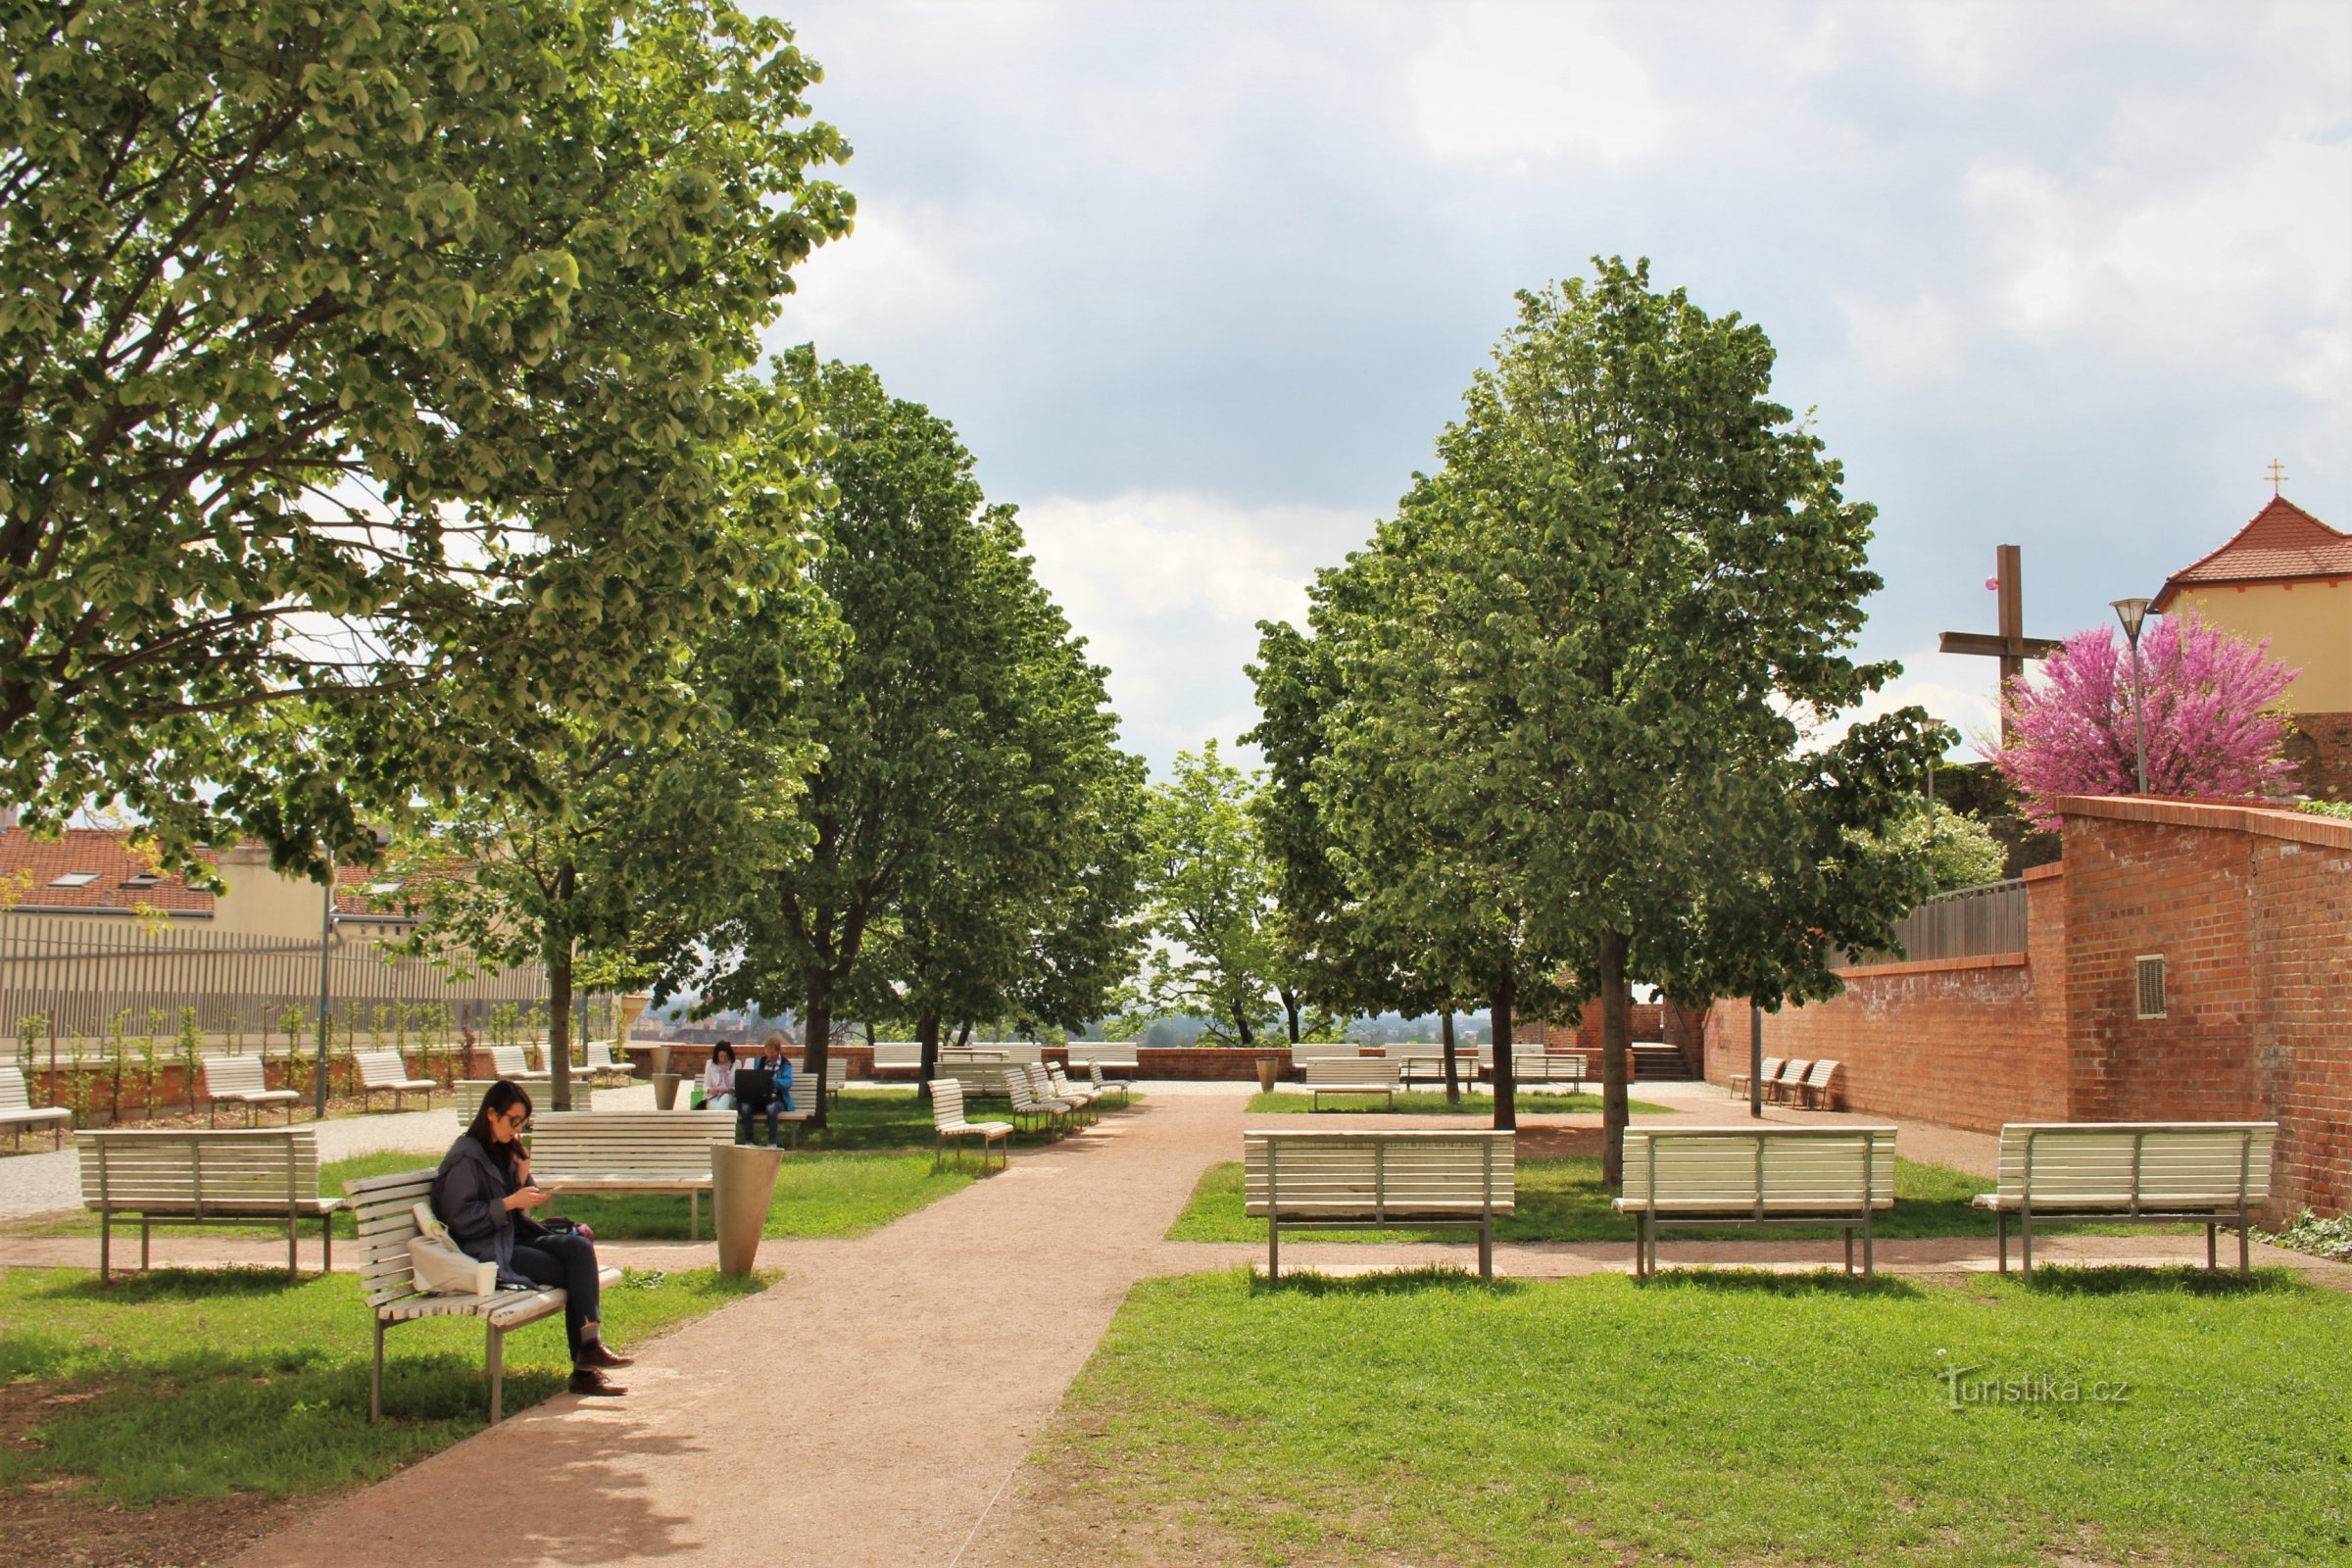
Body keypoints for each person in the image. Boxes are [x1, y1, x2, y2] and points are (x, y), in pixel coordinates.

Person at [433, 1079, 632, 1396]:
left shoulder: (500, 1149)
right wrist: (511, 1202)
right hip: (484, 1251)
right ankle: (585, 1367)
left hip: (511, 1238)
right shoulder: (465, 1157)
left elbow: (518, 1202)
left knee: (578, 1247)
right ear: (491, 1114)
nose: (516, 1130)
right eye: (512, 1121)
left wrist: (524, 1175)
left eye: (522, 1124)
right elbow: (461, 1221)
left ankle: (589, 1346)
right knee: (574, 1270)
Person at [738, 1033, 797, 1147]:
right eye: (767, 1052)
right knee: (745, 1108)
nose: (769, 1055)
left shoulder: (785, 1065)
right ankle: (749, 1141)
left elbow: (787, 1083)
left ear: (778, 1051)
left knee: (771, 1108)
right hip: (759, 1098)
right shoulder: (760, 1062)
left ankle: (772, 1142)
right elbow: (754, 1078)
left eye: (772, 1052)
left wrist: (771, 1081)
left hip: (776, 1099)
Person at [702, 1041, 738, 1110]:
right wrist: (710, 1090)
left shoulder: (736, 1064)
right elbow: (705, 1086)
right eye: (721, 1056)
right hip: (714, 1098)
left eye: (726, 1056)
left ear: (730, 1055)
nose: (723, 1059)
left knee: (726, 1097)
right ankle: (721, 1118)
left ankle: (719, 1118)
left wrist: (732, 1089)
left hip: (730, 1098)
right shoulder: (710, 1064)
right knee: (717, 1106)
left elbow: (740, 1087)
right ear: (716, 1055)